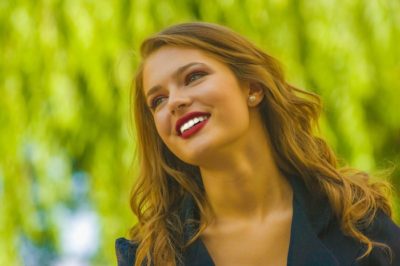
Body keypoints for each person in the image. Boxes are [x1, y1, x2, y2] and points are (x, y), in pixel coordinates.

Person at [115, 22, 400, 266]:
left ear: (252, 87)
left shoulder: (357, 221)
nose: (175, 101)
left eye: (194, 77)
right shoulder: (151, 257)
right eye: (158, 100)